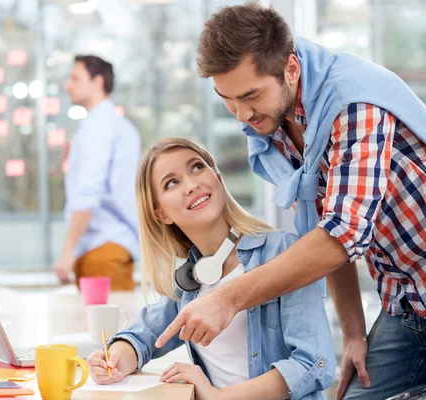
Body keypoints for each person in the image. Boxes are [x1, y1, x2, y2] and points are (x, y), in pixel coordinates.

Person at [154, 4, 426, 400]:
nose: (242, 116)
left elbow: (341, 235)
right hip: (405, 299)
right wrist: (353, 334)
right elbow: (322, 223)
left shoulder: (354, 104)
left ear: (291, 70)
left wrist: (228, 299)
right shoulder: (274, 121)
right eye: (227, 99)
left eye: (250, 96)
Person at [86, 138, 335, 400]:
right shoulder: (190, 282)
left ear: (217, 178)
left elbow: (314, 364)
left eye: (197, 167)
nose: (192, 185)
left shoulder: (282, 251)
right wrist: (116, 362)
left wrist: (219, 396)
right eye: (172, 183)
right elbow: (145, 333)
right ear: (161, 214)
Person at [55, 55, 141, 291]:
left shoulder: (98, 126)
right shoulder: (117, 125)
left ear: (98, 82)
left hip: (102, 247)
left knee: (107, 328)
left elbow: (89, 192)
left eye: (75, 78)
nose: (67, 85)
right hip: (109, 245)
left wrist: (67, 251)